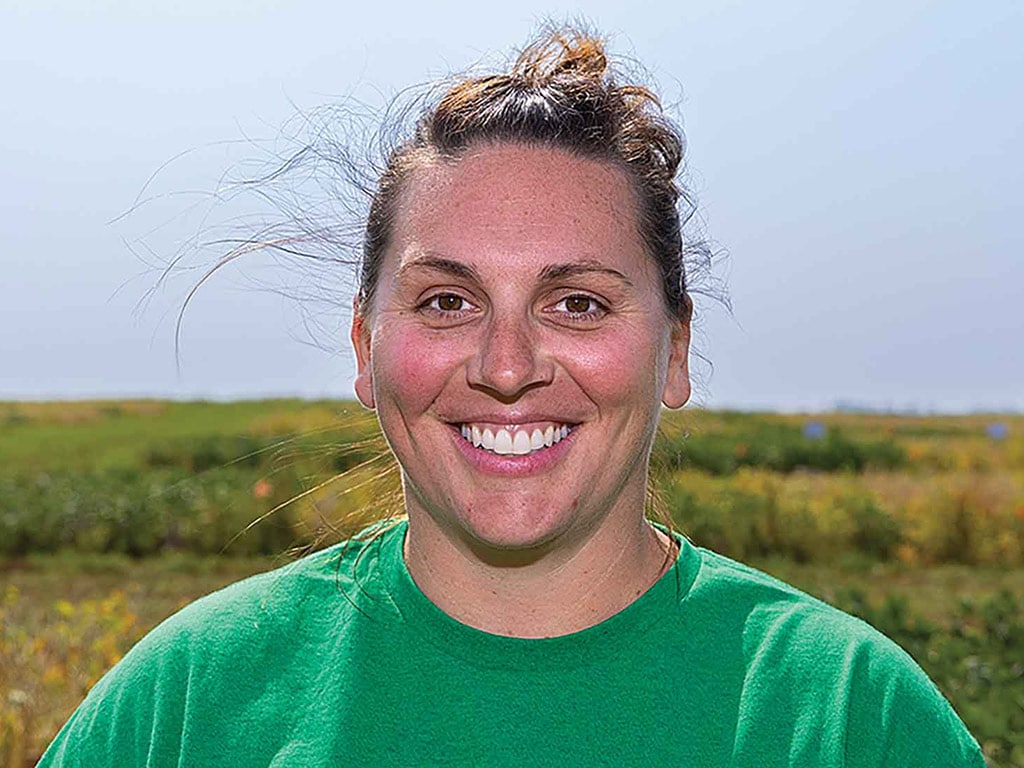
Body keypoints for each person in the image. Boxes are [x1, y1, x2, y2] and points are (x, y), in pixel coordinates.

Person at [39, 26, 984, 767]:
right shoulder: (188, 699)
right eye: (447, 301)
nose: (506, 363)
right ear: (367, 348)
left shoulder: (847, 713)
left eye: (577, 303)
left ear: (678, 349)